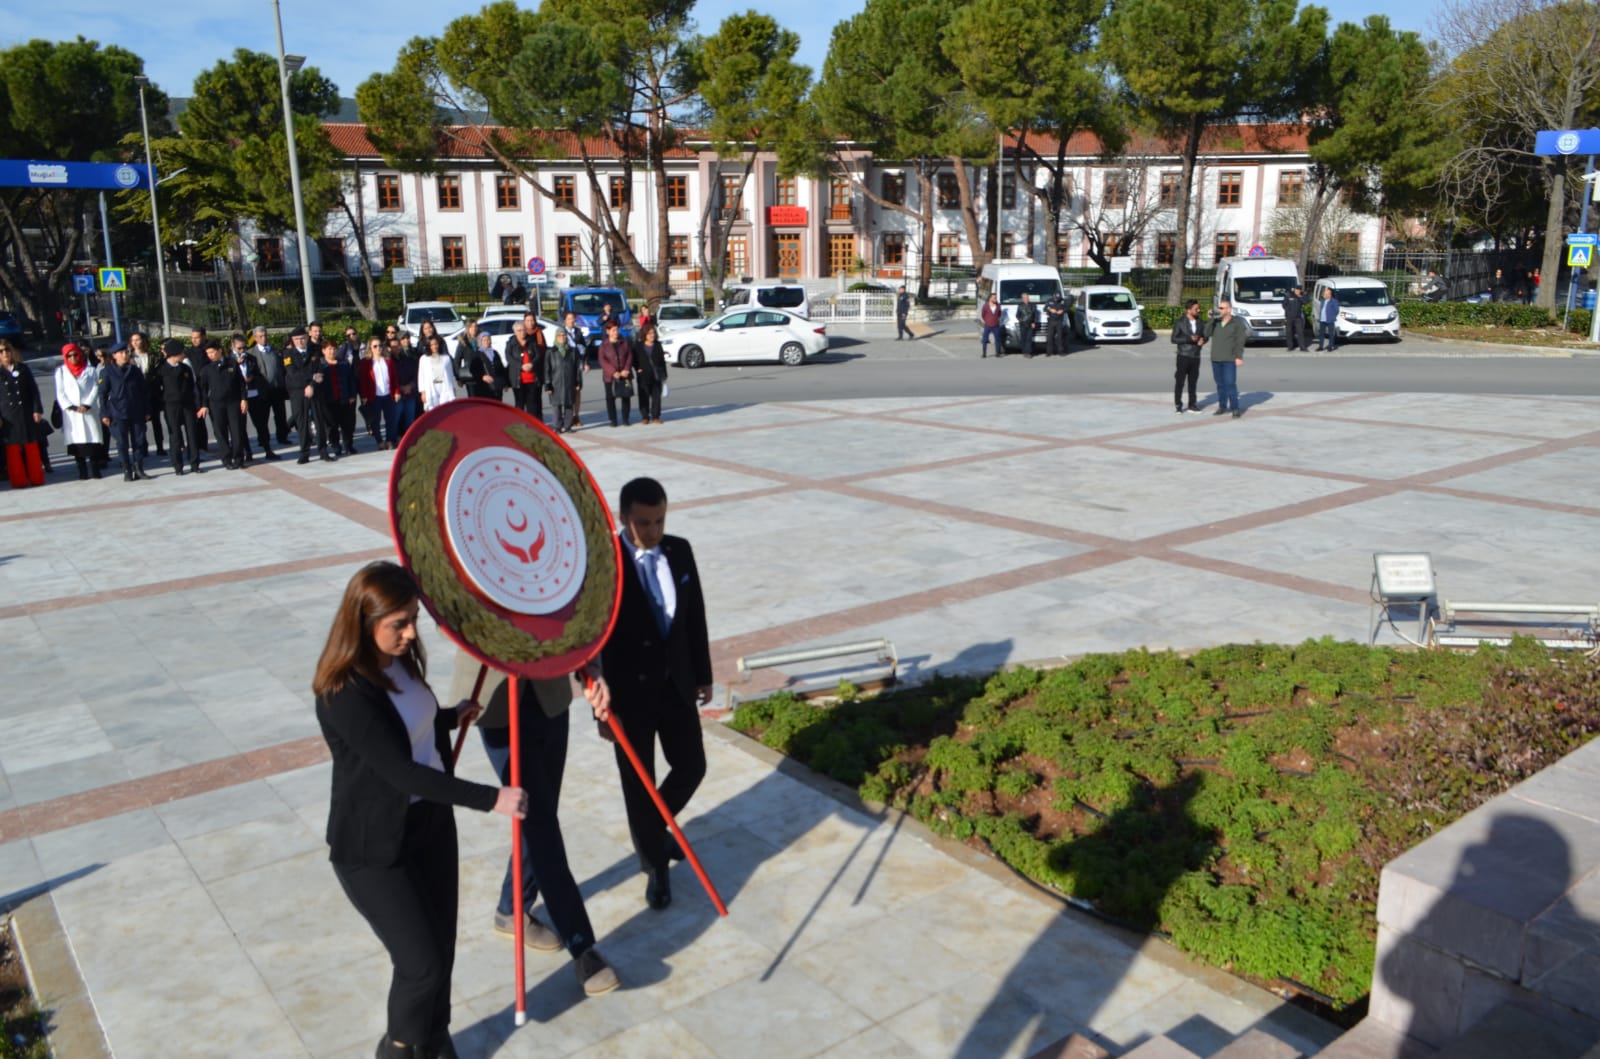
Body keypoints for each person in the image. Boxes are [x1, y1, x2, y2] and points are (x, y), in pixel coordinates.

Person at [312, 562, 528, 1059]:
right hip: (375, 850)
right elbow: (400, 771)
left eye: (413, 619)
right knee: (421, 966)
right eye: (398, 624)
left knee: (441, 956)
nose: (411, 633)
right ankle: (399, 1048)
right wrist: (493, 798)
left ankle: (434, 1042)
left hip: (429, 827)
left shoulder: (402, 663)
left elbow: (412, 725)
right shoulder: (344, 692)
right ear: (363, 623)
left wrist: (450, 716)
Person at [447, 653, 621, 996]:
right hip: (497, 701)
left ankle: (511, 909)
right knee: (541, 824)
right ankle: (582, 946)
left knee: (540, 814)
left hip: (550, 694)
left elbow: (572, 605)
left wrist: (592, 666)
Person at [600, 477, 712, 910]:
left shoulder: (679, 549)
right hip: (628, 697)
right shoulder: (604, 562)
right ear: (623, 517)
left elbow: (694, 616)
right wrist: (600, 709)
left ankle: (654, 827)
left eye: (660, 520)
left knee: (692, 766)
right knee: (637, 781)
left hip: (676, 684)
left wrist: (702, 674)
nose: (653, 531)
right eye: (643, 523)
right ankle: (655, 869)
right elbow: (592, 638)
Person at [99, 341, 153, 481]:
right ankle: (127, 470)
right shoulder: (107, 371)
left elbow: (144, 391)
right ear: (114, 356)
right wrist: (104, 413)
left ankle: (139, 468)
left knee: (139, 441)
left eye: (125, 352)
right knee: (122, 443)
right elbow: (103, 394)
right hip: (117, 412)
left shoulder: (134, 370)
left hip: (136, 411)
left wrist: (147, 409)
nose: (124, 355)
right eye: (121, 353)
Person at [0, 338, 47, 489]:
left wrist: (37, 409)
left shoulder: (22, 369)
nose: (5, 353)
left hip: (25, 412)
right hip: (8, 415)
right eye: (1, 351)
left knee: (31, 446)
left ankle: (35, 477)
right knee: (12, 449)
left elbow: (33, 391)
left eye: (7, 350)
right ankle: (19, 480)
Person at [54, 342, 105, 480]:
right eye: (69, 355)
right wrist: (73, 407)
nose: (72, 358)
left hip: (89, 410)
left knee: (93, 439)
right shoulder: (61, 372)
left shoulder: (90, 370)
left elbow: (95, 387)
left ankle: (95, 469)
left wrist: (87, 404)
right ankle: (82, 471)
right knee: (77, 443)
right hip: (72, 413)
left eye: (75, 354)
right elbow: (60, 393)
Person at [287, 329, 336, 464]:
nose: (300, 341)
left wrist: (312, 385)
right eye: (297, 339)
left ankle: (323, 451)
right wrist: (309, 381)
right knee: (302, 422)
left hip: (315, 391)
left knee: (319, 421)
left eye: (302, 338)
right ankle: (304, 452)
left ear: (307, 338)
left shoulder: (314, 350)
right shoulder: (288, 353)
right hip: (298, 392)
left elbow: (319, 370)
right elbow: (292, 373)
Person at [199, 340, 247, 470]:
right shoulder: (207, 369)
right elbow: (203, 389)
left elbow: (241, 383)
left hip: (233, 402)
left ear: (220, 350)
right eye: (208, 353)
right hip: (216, 404)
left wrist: (244, 399)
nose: (210, 355)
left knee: (237, 430)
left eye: (212, 352)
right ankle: (226, 459)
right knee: (221, 432)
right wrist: (204, 405)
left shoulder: (232, 364)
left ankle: (238, 458)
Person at [156, 339, 200, 475]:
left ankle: (194, 463)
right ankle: (178, 465)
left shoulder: (185, 368)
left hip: (188, 405)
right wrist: (163, 402)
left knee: (192, 434)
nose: (183, 354)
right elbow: (156, 390)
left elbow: (192, 386)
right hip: (171, 406)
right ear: (174, 353)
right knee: (175, 435)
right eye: (181, 352)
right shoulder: (161, 370)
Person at [234, 335, 279, 461]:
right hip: (239, 397)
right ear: (233, 347)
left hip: (253, 393)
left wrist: (252, 377)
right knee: (241, 426)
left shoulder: (251, 358)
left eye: (244, 348)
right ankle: (247, 452)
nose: (242, 351)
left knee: (261, 423)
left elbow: (258, 373)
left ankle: (267, 449)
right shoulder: (230, 360)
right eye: (239, 348)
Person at [1205, 298, 1247, 419]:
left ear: (1229, 310)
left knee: (1230, 384)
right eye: (1219, 307)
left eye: (1222, 308)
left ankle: (1235, 408)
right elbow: (1206, 333)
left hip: (1229, 359)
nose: (1219, 310)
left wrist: (1239, 357)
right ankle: (1222, 406)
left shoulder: (1237, 323)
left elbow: (1240, 341)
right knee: (1220, 384)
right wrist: (1210, 319)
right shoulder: (1216, 322)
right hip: (1216, 358)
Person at [251, 326, 292, 447]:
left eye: (265, 336)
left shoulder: (274, 351)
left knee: (280, 415)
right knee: (262, 418)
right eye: (260, 336)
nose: (264, 338)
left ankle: (282, 437)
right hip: (263, 390)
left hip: (277, 388)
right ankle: (263, 439)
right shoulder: (251, 353)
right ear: (255, 338)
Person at [319, 337, 361, 452]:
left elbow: (351, 380)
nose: (332, 351)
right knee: (332, 425)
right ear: (323, 350)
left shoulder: (343, 363)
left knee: (347, 424)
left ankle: (348, 445)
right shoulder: (320, 365)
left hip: (344, 398)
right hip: (328, 400)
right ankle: (335, 445)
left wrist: (352, 395)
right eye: (329, 349)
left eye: (334, 348)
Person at [127, 332, 164, 457]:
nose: (136, 342)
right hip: (137, 395)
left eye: (138, 339)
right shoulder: (129, 357)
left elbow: (157, 373)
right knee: (139, 423)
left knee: (156, 422)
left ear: (144, 341)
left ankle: (160, 446)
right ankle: (143, 447)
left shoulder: (153, 356)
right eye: (133, 340)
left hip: (152, 392)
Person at [361, 337, 397, 451]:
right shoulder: (366, 363)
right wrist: (364, 396)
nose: (378, 348)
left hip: (388, 394)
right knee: (375, 420)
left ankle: (390, 440)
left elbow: (395, 378)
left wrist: (396, 392)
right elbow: (363, 381)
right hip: (374, 395)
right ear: (370, 348)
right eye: (375, 346)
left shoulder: (388, 361)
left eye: (380, 345)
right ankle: (379, 441)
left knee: (390, 419)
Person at [1170, 299, 1205, 414]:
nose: (1198, 310)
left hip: (1196, 355)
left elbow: (1205, 335)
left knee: (1193, 381)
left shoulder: (1200, 322)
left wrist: (1203, 340)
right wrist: (1189, 339)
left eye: (1198, 308)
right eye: (1196, 309)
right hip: (1183, 355)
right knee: (1180, 381)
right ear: (1189, 310)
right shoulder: (1180, 322)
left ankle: (1192, 404)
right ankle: (1178, 405)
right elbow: (1173, 339)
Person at [597, 321, 634, 428]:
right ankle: (613, 420)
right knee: (610, 398)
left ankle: (626, 418)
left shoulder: (624, 342)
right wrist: (613, 372)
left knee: (626, 397)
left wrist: (626, 369)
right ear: (608, 331)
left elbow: (629, 356)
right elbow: (602, 360)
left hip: (624, 374)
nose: (616, 332)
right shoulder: (604, 345)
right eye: (613, 330)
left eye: (617, 330)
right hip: (610, 376)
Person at [545, 330, 581, 434]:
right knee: (556, 405)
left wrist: (578, 382)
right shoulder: (551, 352)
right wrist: (548, 384)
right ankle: (557, 426)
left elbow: (576, 368)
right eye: (559, 335)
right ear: (556, 337)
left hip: (569, 381)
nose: (562, 337)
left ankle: (568, 426)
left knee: (569, 404)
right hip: (555, 382)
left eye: (564, 335)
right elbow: (547, 369)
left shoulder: (572, 351)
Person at [632, 323, 667, 425]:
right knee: (644, 396)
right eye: (650, 333)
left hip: (656, 375)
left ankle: (656, 416)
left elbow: (662, 361)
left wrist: (664, 374)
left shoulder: (658, 345)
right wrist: (637, 368)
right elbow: (634, 359)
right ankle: (645, 416)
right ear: (644, 334)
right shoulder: (638, 346)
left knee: (656, 396)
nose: (652, 335)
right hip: (643, 376)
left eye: (653, 333)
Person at [507, 326, 543, 423]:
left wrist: (532, 363)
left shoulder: (531, 341)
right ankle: (519, 425)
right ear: (515, 332)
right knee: (520, 404)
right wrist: (521, 366)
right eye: (519, 330)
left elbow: (538, 355)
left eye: (523, 330)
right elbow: (509, 358)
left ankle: (532, 425)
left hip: (531, 378)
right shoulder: (511, 344)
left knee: (532, 405)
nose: (522, 332)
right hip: (518, 379)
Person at [560, 311, 588, 428]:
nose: (572, 321)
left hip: (577, 364)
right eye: (569, 318)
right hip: (566, 365)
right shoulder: (561, 332)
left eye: (573, 318)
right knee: (566, 391)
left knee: (577, 390)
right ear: (565, 320)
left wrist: (585, 363)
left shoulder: (578, 332)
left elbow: (583, 347)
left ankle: (576, 416)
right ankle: (566, 416)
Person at [417, 335, 458, 413]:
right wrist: (423, 392)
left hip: (444, 387)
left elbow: (450, 374)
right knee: (433, 412)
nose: (434, 346)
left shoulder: (446, 358)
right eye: (431, 345)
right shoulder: (424, 359)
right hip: (431, 388)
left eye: (436, 344)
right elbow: (421, 376)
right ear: (428, 346)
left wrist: (453, 388)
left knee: (445, 410)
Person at [471, 326, 512, 403]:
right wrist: (482, 376)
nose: (487, 341)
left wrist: (505, 383)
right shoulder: (477, 354)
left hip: (497, 386)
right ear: (480, 342)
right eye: (484, 340)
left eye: (488, 339)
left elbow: (501, 368)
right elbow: (473, 369)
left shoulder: (495, 353)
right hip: (484, 387)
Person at [1282, 285, 1310, 352]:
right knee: (1289, 332)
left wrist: (1300, 296)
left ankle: (1302, 347)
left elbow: (1306, 302)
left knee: (1300, 332)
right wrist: (1288, 312)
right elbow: (1284, 304)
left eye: (1299, 290)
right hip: (1289, 317)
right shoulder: (1289, 295)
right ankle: (1290, 347)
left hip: (1298, 317)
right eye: (1296, 290)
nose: (1297, 291)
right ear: (1294, 289)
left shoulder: (1302, 295)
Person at [1315, 286, 1340, 352]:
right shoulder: (1323, 301)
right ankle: (1320, 346)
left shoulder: (1334, 301)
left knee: (1331, 334)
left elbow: (1336, 310)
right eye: (1324, 294)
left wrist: (1332, 316)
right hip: (1322, 320)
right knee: (1321, 334)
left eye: (1326, 294)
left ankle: (1330, 346)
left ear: (1329, 295)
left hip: (1330, 320)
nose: (1324, 295)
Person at [1043, 291, 1069, 356]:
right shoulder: (1049, 301)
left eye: (1058, 298)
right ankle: (1049, 352)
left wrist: (1062, 310)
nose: (1056, 300)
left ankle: (1060, 352)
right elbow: (1045, 308)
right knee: (1050, 337)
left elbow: (1067, 308)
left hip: (1059, 321)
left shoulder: (1063, 301)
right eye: (1055, 298)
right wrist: (1050, 309)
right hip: (1051, 321)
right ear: (1053, 296)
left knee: (1060, 337)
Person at [980, 292, 1001, 358]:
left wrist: (996, 319)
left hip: (995, 325)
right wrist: (987, 320)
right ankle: (984, 353)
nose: (995, 299)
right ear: (990, 298)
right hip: (988, 325)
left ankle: (998, 353)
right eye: (994, 297)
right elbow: (983, 315)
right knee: (985, 339)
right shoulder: (985, 306)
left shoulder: (998, 306)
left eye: (995, 297)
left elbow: (999, 314)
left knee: (997, 339)